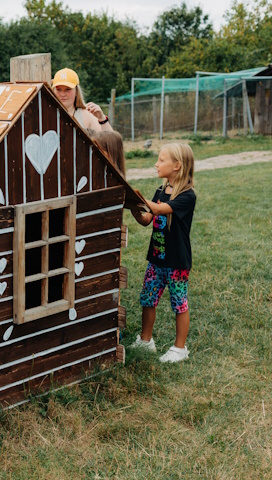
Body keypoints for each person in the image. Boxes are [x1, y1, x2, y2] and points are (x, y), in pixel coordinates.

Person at [129, 143, 196, 363]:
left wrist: (138, 199)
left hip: (176, 262)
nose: (156, 164)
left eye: (161, 160)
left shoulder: (187, 196)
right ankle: (146, 341)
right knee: (148, 299)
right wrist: (134, 208)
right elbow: (148, 219)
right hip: (156, 259)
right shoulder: (160, 191)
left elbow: (159, 210)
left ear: (176, 166)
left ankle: (180, 348)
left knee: (179, 303)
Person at [52, 68, 113, 133]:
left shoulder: (87, 115)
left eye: (68, 89)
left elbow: (111, 141)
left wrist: (102, 119)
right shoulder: (45, 113)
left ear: (76, 91)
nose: (63, 94)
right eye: (59, 89)